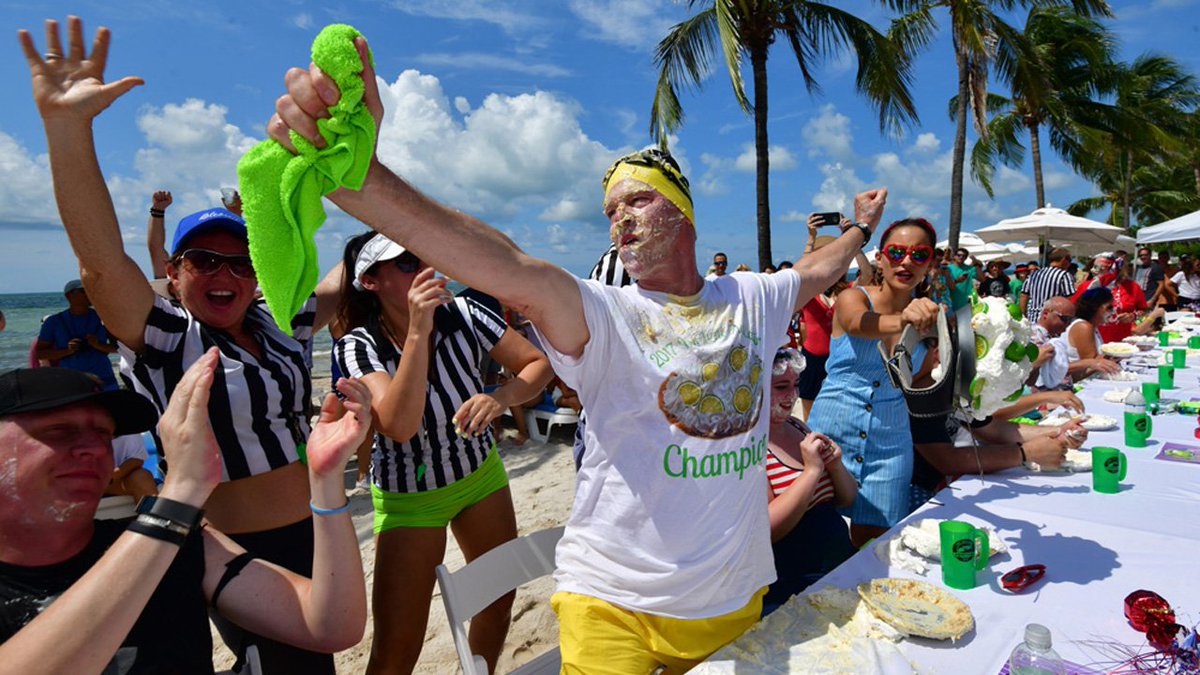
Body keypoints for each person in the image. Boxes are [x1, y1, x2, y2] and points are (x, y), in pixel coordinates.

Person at [266, 37, 886, 668]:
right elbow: (511, 267)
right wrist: (363, 180)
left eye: (637, 199)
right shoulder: (605, 312)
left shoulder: (753, 297)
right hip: (610, 602)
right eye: (610, 210)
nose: (620, 219)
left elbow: (820, 267)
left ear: (684, 213)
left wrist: (860, 229)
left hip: (730, 596)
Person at [19, 20, 347, 672]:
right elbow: (101, 265)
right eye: (204, 260)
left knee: (315, 660)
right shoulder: (170, 336)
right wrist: (67, 130)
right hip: (233, 544)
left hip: (315, 520)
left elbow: (344, 282)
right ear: (173, 271)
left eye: (241, 263)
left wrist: (335, 171)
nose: (226, 274)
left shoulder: (279, 323)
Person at [0, 352, 370, 674]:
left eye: (103, 434)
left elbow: (331, 626)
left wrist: (324, 478)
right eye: (59, 431)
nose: (93, 449)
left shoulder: (180, 545)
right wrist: (179, 494)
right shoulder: (165, 535)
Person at [333, 232, 552, 674]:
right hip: (409, 500)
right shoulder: (358, 345)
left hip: (479, 475)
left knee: (498, 598)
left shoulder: (467, 314)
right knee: (398, 645)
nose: (423, 266)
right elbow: (398, 425)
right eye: (407, 262)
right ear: (371, 281)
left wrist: (502, 397)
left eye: (423, 254)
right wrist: (417, 330)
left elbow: (538, 363)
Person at [807, 218, 940, 547]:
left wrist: (953, 358)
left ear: (931, 263)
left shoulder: (933, 319)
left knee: (876, 544)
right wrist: (904, 322)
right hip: (831, 432)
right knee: (820, 537)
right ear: (880, 258)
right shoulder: (855, 297)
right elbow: (856, 324)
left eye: (918, 254)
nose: (905, 261)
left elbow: (919, 383)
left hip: (891, 442)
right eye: (896, 252)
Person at [762, 348, 855, 615]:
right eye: (781, 386)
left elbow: (846, 499)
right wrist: (812, 472)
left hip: (837, 564)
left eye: (796, 385)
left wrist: (835, 466)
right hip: (793, 582)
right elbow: (769, 529)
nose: (792, 395)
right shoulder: (752, 447)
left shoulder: (798, 427)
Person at [36, 280, 119, 390]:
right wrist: (68, 351)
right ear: (69, 295)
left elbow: (119, 348)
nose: (89, 293)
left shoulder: (104, 318)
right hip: (72, 381)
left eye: (91, 290)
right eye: (83, 291)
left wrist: (97, 345)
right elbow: (40, 353)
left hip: (104, 379)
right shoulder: (54, 322)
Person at [1029, 297, 1119, 390]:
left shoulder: (1054, 336)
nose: (1068, 324)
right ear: (1046, 314)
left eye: (1071, 320)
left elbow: (1066, 375)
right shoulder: (1036, 335)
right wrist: (1089, 363)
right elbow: (1050, 369)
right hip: (1050, 398)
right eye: (1065, 319)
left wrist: (1101, 362)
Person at [1072, 253, 1157, 342]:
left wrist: (1133, 316)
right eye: (1094, 267)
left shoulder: (1131, 287)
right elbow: (1074, 310)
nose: (1094, 271)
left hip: (1122, 340)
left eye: (1100, 268)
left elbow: (1143, 310)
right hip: (1093, 339)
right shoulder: (1087, 287)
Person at [1021, 248, 1075, 321]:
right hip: (1051, 320)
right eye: (1070, 261)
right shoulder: (1064, 275)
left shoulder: (1034, 274)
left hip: (1032, 318)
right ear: (1064, 260)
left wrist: (1023, 316)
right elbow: (1071, 298)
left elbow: (1024, 296)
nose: (1069, 264)